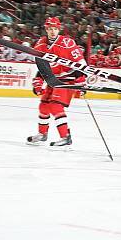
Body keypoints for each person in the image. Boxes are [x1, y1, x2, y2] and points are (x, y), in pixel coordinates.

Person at [26, 17, 86, 147]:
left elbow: (81, 63)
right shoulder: (40, 44)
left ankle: (65, 137)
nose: (52, 31)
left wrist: (81, 78)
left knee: (55, 106)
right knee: (44, 106)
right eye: (50, 29)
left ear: (58, 29)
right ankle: (42, 135)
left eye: (55, 29)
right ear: (46, 29)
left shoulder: (67, 42)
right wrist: (38, 80)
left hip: (68, 78)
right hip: (52, 79)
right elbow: (43, 66)